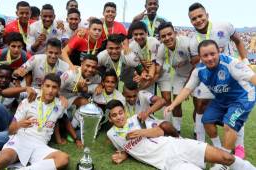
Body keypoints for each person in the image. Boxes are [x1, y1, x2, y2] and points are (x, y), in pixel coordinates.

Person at [165, 40, 256, 169]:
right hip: (221, 99)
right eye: (205, 56)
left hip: (242, 98)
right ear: (200, 57)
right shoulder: (199, 70)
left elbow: (253, 78)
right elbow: (187, 89)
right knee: (207, 120)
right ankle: (218, 148)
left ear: (219, 51)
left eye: (212, 54)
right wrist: (173, 105)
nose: (209, 58)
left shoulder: (231, 63)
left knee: (229, 124)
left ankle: (223, 162)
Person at [106, 100, 256, 170]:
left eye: (120, 113)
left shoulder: (137, 118)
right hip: (167, 162)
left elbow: (160, 130)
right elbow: (125, 148)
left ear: (125, 111)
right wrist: (124, 155)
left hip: (176, 145)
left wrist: (141, 132)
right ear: (110, 118)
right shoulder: (111, 134)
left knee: (226, 157)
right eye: (114, 115)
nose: (119, 117)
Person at [188, 2, 248, 156]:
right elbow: (196, 62)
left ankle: (240, 146)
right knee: (200, 105)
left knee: (235, 108)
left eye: (200, 16)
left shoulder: (224, 25)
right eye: (194, 18)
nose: (198, 20)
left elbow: (239, 41)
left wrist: (245, 61)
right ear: (191, 21)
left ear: (207, 15)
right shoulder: (193, 39)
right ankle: (202, 143)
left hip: (229, 75)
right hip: (209, 76)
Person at [0, 73, 69, 170]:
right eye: (47, 86)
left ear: (58, 89)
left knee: (63, 159)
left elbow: (57, 122)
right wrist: (19, 124)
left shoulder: (61, 105)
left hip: (40, 144)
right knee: (3, 158)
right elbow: (10, 130)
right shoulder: (28, 101)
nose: (50, 90)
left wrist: (63, 139)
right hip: (21, 139)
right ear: (42, 86)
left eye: (54, 87)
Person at [155, 22, 198, 134]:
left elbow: (196, 65)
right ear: (160, 38)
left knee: (198, 104)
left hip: (195, 74)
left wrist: (187, 87)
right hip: (179, 76)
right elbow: (157, 69)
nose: (167, 38)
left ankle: (197, 131)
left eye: (169, 34)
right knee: (176, 103)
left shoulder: (186, 43)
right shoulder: (161, 49)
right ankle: (176, 130)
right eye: (163, 36)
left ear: (175, 33)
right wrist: (149, 76)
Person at [128, 21, 162, 94]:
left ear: (146, 33)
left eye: (141, 34)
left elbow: (153, 63)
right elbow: (135, 64)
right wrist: (142, 64)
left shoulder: (154, 42)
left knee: (166, 96)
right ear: (132, 35)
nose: (138, 37)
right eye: (136, 34)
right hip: (145, 71)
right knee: (145, 94)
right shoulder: (131, 46)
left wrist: (150, 75)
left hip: (159, 70)